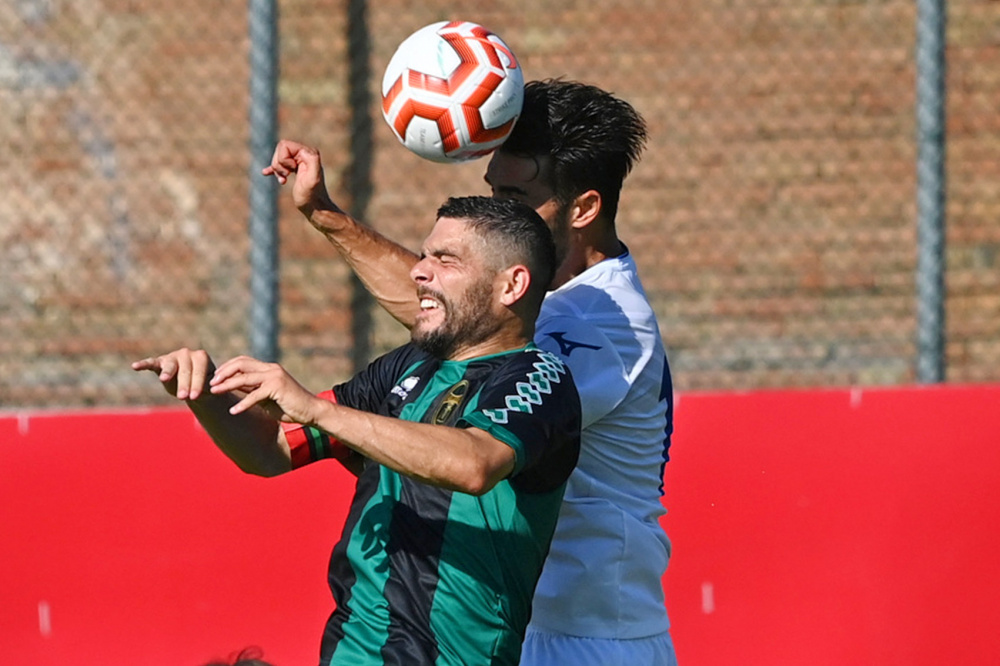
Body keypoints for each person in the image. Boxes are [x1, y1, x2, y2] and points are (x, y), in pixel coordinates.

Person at [264, 79, 677, 664]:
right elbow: (459, 313)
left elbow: (466, 351)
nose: (499, 213)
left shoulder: (604, 323)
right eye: (493, 190)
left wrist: (320, 408)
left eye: (519, 196)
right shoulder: (553, 300)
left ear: (584, 208)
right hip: (509, 626)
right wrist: (325, 215)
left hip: (589, 635)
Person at [133, 196, 582, 666]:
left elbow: (475, 463)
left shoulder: (539, 378)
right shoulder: (407, 367)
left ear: (512, 285)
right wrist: (204, 396)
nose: (419, 272)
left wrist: (315, 409)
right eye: (424, 254)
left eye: (445, 260)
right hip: (351, 652)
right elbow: (274, 449)